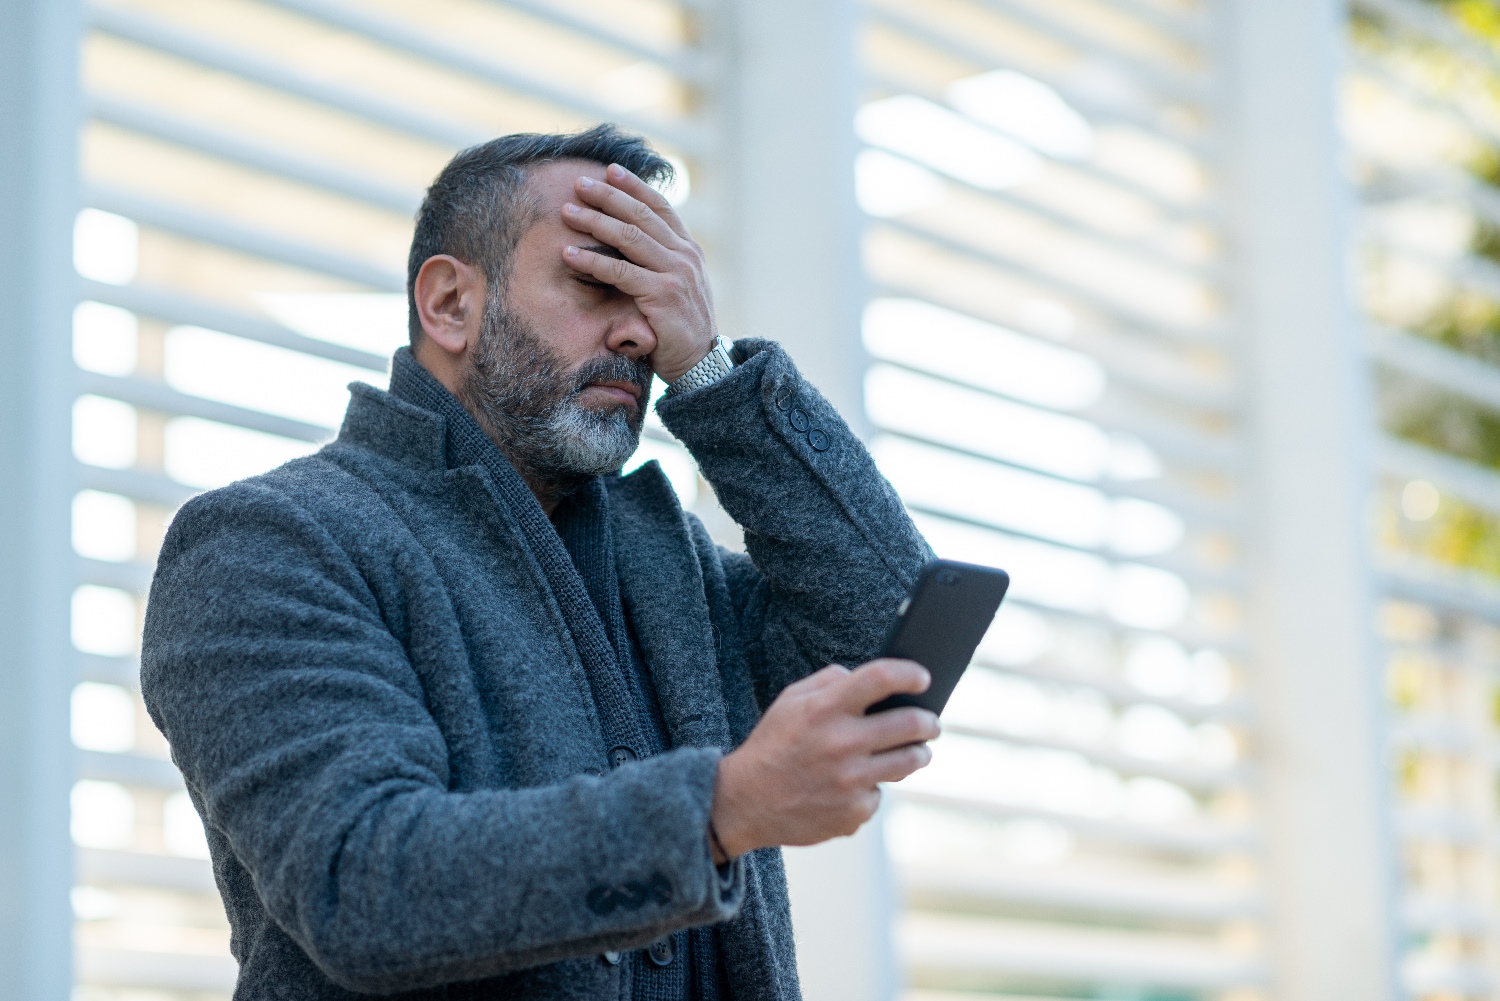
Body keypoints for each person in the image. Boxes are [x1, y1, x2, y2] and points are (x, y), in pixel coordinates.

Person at [141, 124, 938, 1001]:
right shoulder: (267, 543)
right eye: (600, 282)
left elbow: (895, 638)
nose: (641, 332)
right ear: (450, 304)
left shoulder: (671, 566)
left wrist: (713, 376)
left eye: (660, 293)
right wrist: (718, 810)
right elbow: (362, 885)